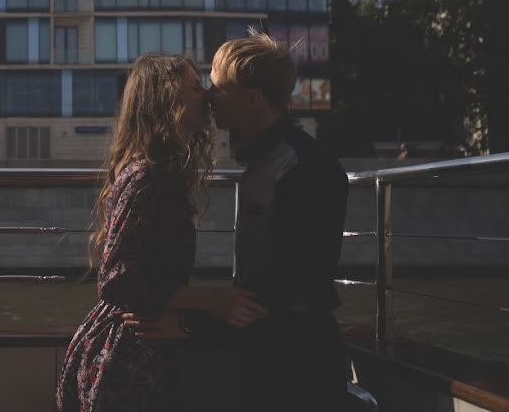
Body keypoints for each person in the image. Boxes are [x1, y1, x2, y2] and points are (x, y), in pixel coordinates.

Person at [138, 30, 348, 411]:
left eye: (218, 88)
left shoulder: (303, 168)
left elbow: (288, 287)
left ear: (252, 99)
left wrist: (192, 324)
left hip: (297, 361)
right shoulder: (268, 159)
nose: (208, 96)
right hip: (273, 348)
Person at [57, 53, 267, 412]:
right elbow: (117, 282)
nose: (206, 95)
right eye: (194, 85)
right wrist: (211, 299)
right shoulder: (147, 178)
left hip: (141, 347)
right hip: (126, 362)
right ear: (166, 98)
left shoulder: (160, 173)